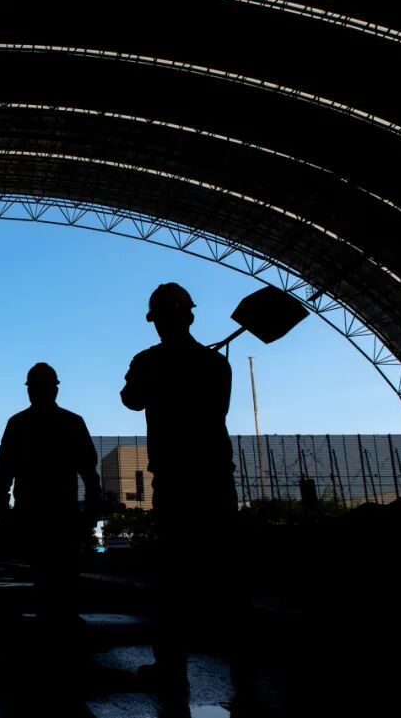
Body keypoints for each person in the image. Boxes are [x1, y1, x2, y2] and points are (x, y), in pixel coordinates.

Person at [120, 283, 240, 694]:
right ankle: (242, 664)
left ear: (157, 322)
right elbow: (217, 411)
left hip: (175, 478)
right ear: (189, 316)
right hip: (214, 476)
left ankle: (170, 666)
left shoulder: (149, 361)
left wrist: (160, 377)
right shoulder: (216, 364)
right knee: (225, 570)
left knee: (172, 574)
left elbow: (131, 399)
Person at [0, 362, 102, 623]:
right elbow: (89, 473)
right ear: (55, 390)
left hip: (33, 512)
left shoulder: (18, 424)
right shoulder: (72, 423)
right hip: (62, 512)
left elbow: (4, 475)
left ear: (30, 391)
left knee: (43, 571)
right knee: (63, 571)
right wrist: (91, 510)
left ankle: (51, 621)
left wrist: (4, 513)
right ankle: (64, 620)